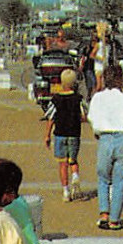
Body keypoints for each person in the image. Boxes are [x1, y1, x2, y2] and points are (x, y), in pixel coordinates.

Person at [87, 61, 123, 229]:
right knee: (119, 181)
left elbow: (92, 119)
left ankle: (104, 213)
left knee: (103, 178)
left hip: (104, 138)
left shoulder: (97, 98)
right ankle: (115, 219)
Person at [43, 69, 84, 201]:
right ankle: (75, 175)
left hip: (60, 134)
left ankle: (66, 191)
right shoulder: (78, 99)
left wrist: (47, 135)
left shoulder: (56, 99)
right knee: (73, 159)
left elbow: (50, 117)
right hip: (74, 134)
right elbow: (84, 115)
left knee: (62, 164)